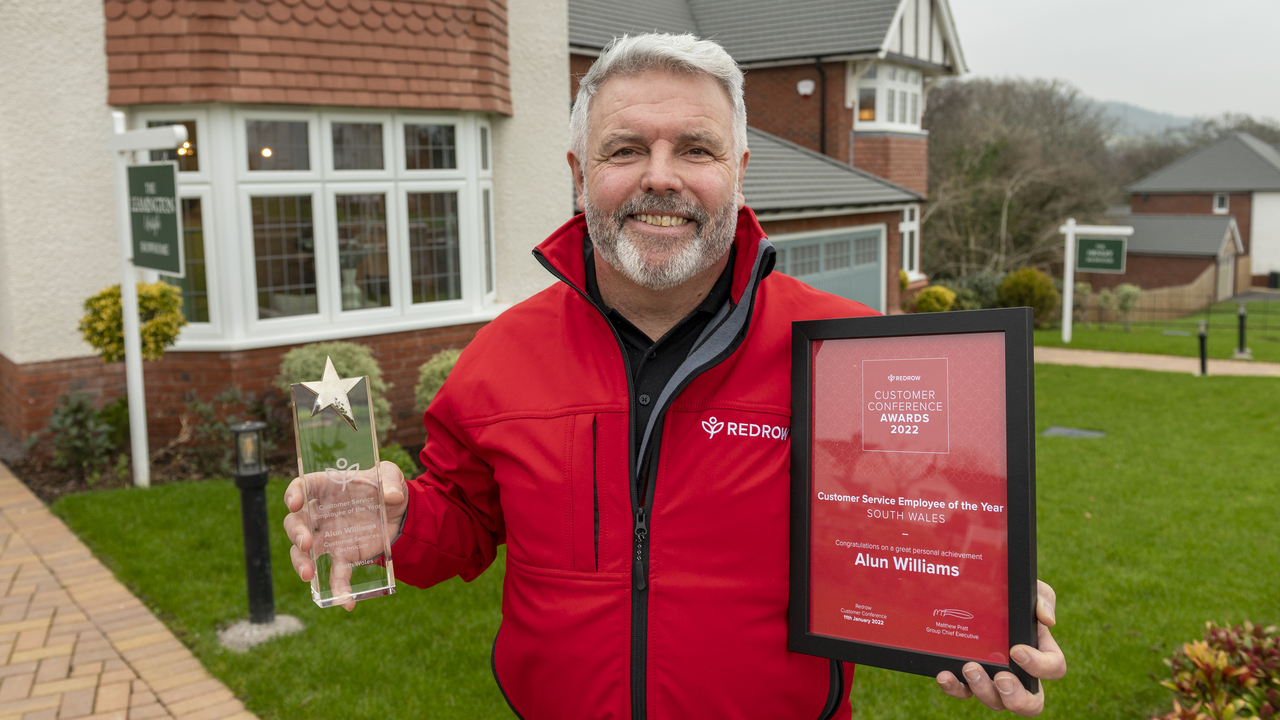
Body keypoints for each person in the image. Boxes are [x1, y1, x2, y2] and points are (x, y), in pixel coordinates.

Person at [283, 32, 1066, 719]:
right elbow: (463, 519)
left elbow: (923, 514)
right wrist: (401, 524)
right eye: (625, 150)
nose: (661, 177)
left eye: (695, 149)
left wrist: (988, 603)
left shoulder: (845, 357)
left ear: (739, 169)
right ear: (579, 173)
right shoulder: (500, 356)